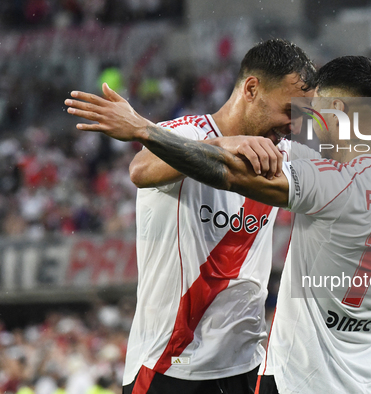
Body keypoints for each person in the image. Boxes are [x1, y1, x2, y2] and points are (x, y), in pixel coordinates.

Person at [66, 56, 371, 393]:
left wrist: (142, 128)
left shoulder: (327, 182)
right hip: (367, 381)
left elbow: (230, 172)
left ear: (335, 108)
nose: (302, 123)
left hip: (299, 379)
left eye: (312, 110)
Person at [69, 38, 316, 394]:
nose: (294, 125)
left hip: (243, 367)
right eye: (289, 111)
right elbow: (141, 169)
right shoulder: (185, 133)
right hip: (169, 366)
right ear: (251, 89)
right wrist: (224, 146)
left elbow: (351, 179)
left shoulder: (285, 156)